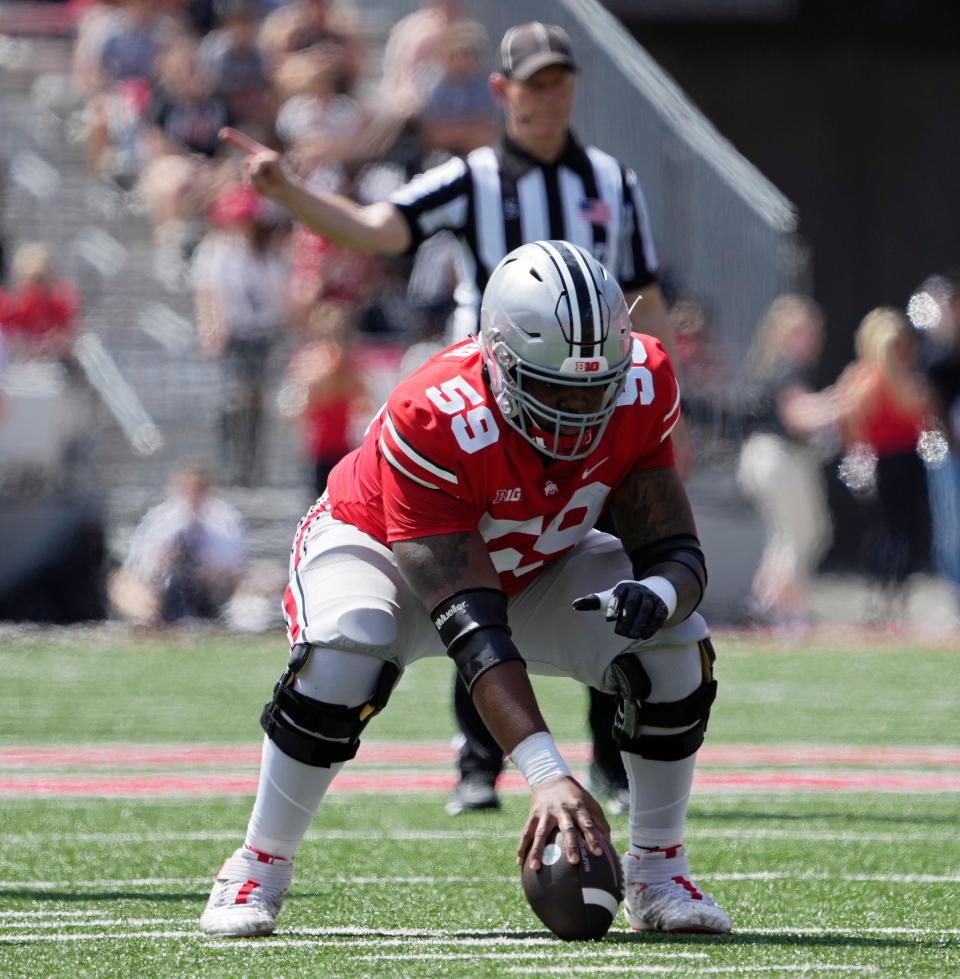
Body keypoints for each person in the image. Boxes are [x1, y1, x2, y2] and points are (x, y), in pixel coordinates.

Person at [219, 20, 686, 818]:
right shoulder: (471, 176)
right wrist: (291, 193)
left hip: (595, 405)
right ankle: (482, 758)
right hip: (492, 410)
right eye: (533, 83)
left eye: (560, 81)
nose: (549, 96)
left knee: (632, 595)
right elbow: (378, 229)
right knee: (477, 581)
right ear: (501, 93)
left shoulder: (612, 177)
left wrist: (656, 408)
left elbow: (647, 297)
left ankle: (618, 771)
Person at [199, 240, 730, 938]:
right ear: (499, 361)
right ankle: (256, 865)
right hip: (380, 551)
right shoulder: (435, 414)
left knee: (676, 643)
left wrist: (659, 594)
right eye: (554, 389)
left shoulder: (642, 382)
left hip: (534, 558)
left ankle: (659, 871)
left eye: (592, 389)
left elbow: (674, 549)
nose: (577, 410)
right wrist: (546, 771)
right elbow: (473, 628)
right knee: (348, 641)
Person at [736, 295, 840, 634]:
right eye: (801, 332)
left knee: (799, 534)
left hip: (778, 458)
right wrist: (849, 398)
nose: (810, 339)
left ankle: (767, 604)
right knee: (798, 536)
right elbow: (799, 417)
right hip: (775, 457)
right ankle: (780, 611)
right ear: (781, 333)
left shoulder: (790, 369)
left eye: (813, 332)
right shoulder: (783, 367)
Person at [836, 307, 934, 622]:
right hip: (888, 460)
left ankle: (892, 595)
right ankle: (885, 595)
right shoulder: (869, 378)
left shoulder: (890, 377)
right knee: (891, 532)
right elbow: (853, 423)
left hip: (905, 459)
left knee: (899, 531)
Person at [108, 459, 247, 625]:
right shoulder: (160, 519)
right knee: (121, 583)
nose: (192, 496)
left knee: (260, 580)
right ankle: (149, 621)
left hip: (212, 589)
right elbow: (140, 567)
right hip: (163, 587)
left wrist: (209, 569)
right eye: (187, 489)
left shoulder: (225, 520)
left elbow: (235, 569)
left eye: (198, 489)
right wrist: (164, 561)